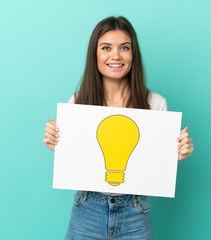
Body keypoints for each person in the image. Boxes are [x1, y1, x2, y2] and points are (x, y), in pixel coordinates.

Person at [42, 16, 194, 240]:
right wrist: (56, 143)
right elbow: (77, 159)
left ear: (134, 54)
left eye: (125, 47)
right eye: (106, 47)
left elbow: (152, 163)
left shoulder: (156, 104)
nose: (116, 55)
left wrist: (174, 155)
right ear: (95, 54)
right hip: (87, 210)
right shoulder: (77, 103)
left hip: (135, 210)